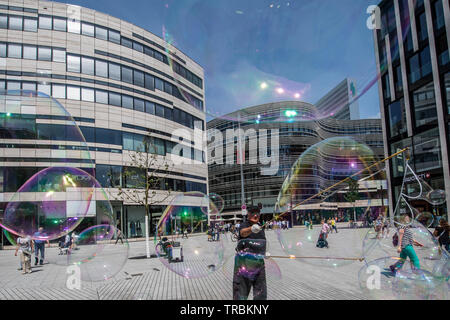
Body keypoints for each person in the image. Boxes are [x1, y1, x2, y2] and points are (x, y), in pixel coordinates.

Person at [233, 208, 267, 300]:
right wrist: (251, 229)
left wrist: (265, 252)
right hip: (244, 263)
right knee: (241, 292)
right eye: (253, 213)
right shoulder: (244, 224)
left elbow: (262, 241)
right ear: (248, 214)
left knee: (261, 292)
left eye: (257, 213)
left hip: (259, 263)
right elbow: (242, 233)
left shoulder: (260, 226)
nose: (256, 215)